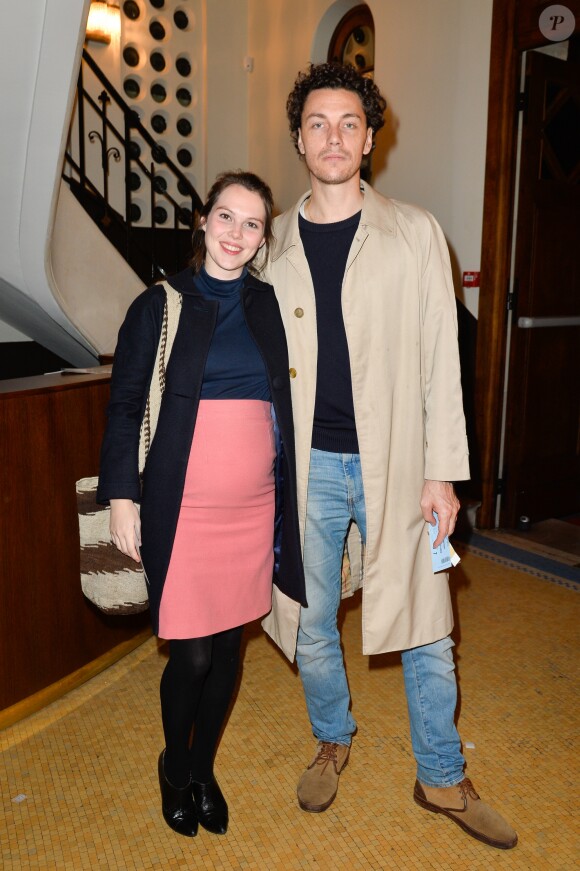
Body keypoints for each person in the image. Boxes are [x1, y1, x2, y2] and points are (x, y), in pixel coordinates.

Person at [261, 63, 518, 850]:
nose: (332, 136)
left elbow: (445, 358)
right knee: (308, 620)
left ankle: (440, 771)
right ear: (299, 138)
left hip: (400, 466)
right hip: (304, 466)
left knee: (425, 625)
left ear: (370, 137)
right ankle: (332, 733)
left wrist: (443, 470)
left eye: (348, 123)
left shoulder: (416, 231)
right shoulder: (268, 241)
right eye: (317, 123)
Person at [97, 171, 305, 838]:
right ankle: (174, 767)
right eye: (225, 217)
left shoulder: (270, 305)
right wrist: (122, 496)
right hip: (181, 513)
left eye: (251, 224)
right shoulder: (158, 305)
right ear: (203, 221)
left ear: (262, 237)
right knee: (190, 657)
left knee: (229, 655)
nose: (236, 234)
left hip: (254, 512)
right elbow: (124, 406)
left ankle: (204, 767)